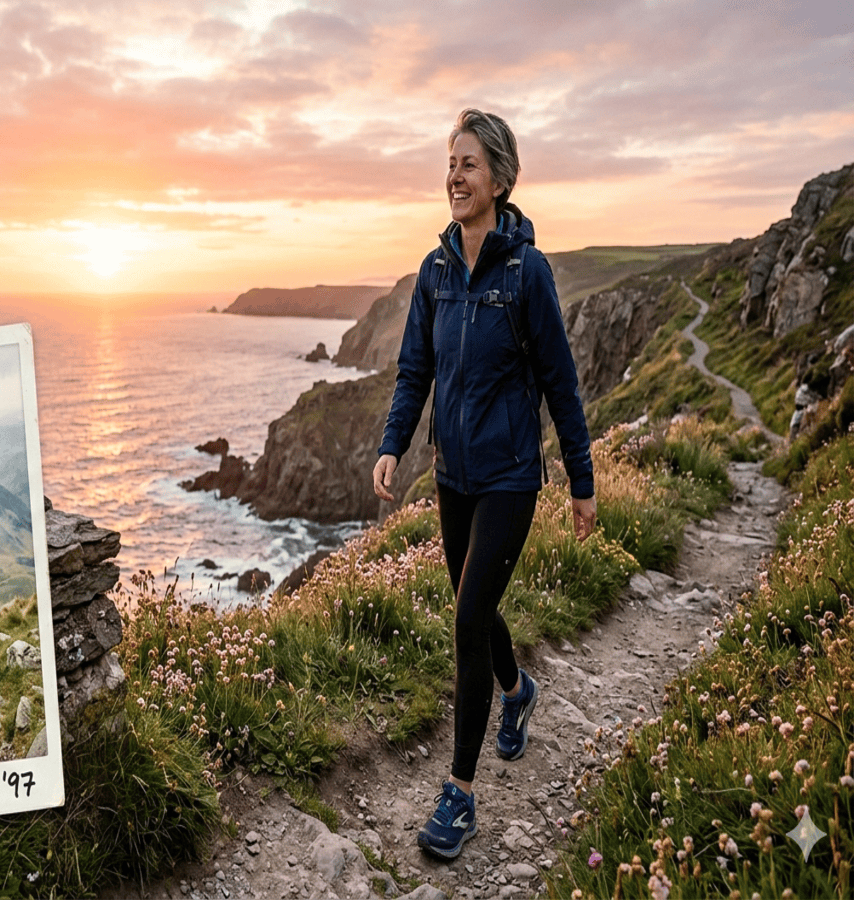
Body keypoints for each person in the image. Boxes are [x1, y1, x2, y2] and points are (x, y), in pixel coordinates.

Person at [372, 108, 597, 860]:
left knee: (468, 616)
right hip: (453, 474)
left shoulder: (527, 272)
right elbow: (416, 370)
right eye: (449, 163)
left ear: (499, 178)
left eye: (467, 165)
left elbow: (561, 383)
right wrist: (392, 446)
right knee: (477, 606)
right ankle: (516, 691)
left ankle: (460, 795)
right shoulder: (435, 272)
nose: (453, 177)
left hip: (508, 476)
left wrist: (581, 480)